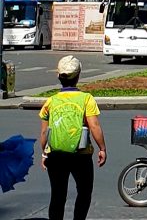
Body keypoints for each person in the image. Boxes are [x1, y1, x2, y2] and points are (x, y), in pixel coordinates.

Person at [39, 55, 107, 220]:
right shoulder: (86, 99)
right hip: (81, 155)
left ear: (59, 76)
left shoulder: (51, 101)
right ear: (78, 76)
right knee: (84, 192)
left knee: (57, 195)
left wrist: (44, 152)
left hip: (56, 154)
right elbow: (94, 126)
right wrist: (102, 148)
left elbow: (44, 132)